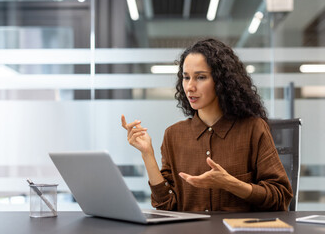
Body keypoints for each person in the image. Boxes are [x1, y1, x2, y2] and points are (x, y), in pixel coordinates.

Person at [121, 38, 293, 212]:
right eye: (186, 77)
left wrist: (231, 184)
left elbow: (281, 197)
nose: (190, 87)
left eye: (200, 77)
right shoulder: (173, 135)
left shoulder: (253, 129)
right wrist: (147, 155)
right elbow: (166, 205)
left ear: (222, 81)